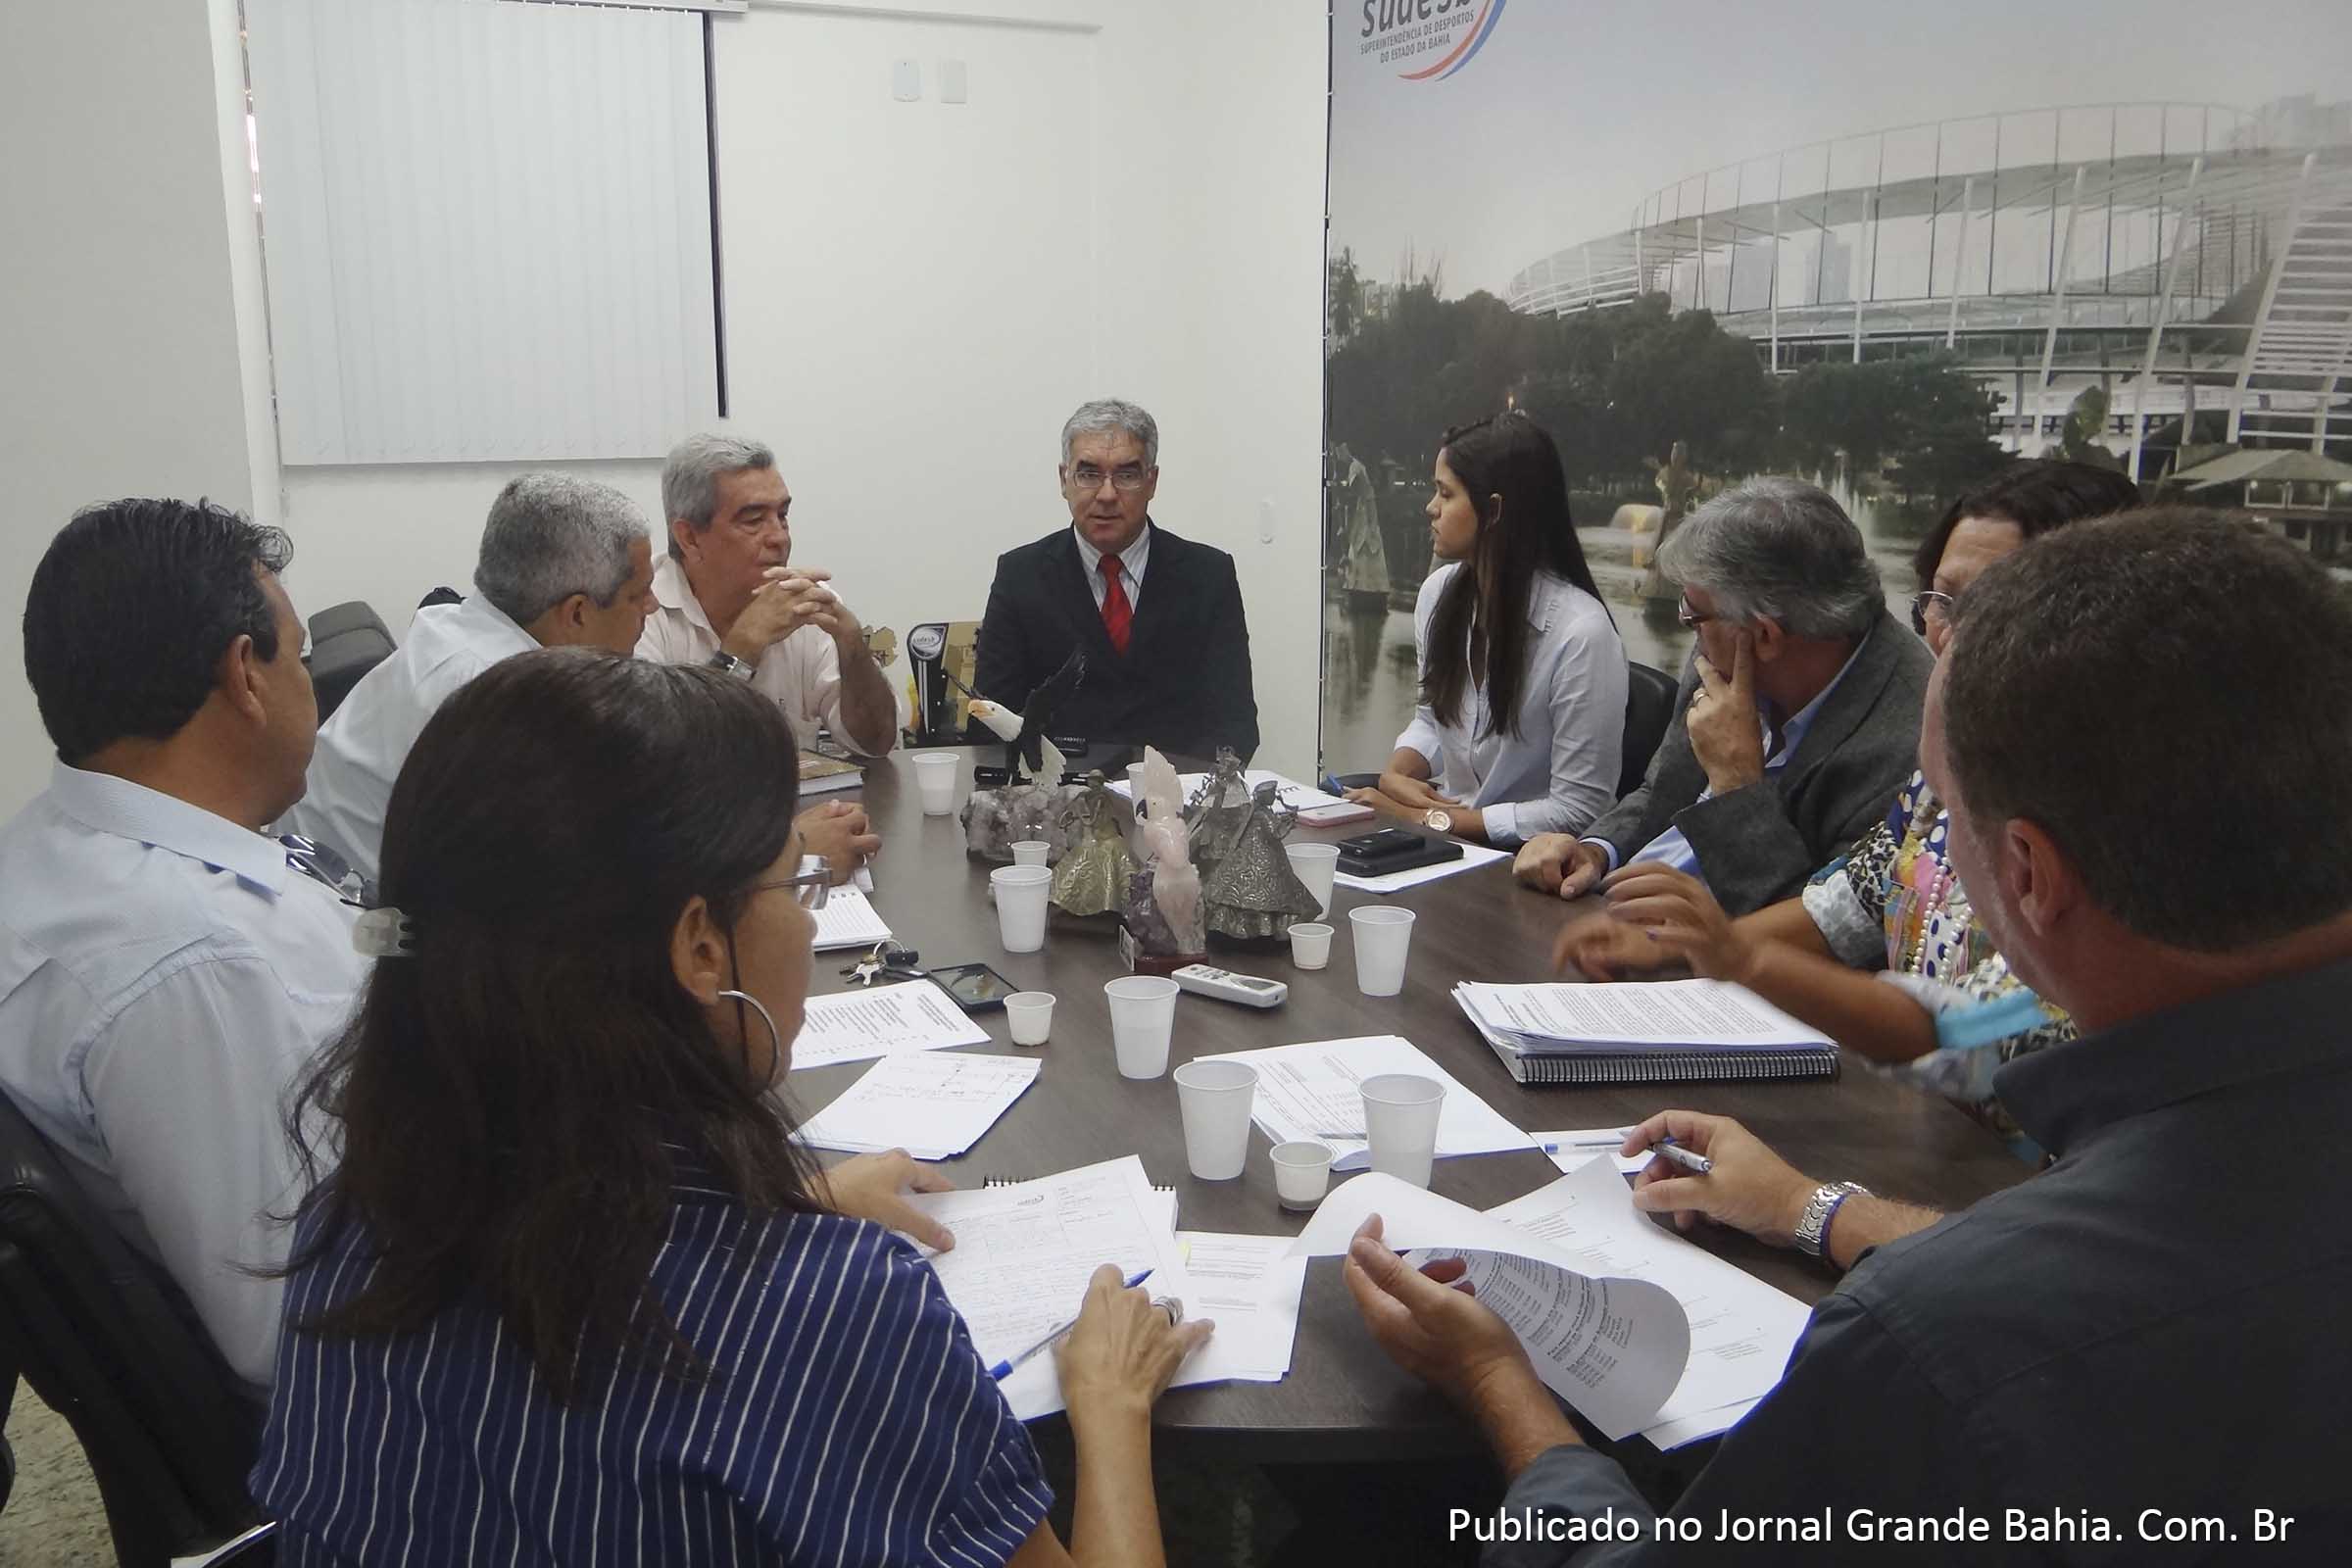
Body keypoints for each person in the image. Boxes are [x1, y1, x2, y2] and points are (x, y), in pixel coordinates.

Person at [1348, 511, 2352, 1563]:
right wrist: (1814, 1209)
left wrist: (1500, 1386)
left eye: (1953, 819)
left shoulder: (1939, 1340)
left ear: (2027, 874)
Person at [253, 649, 1213, 1564]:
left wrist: (799, 1201)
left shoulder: (350, 1231)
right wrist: (1110, 1407)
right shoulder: (830, 1315)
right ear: (700, 949)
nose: (805, 913)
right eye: (797, 881)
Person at [1555, 462, 2140, 1151]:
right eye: (1941, 602)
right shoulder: (1943, 785)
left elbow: (1975, 1036)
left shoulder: (2109, 819)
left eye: (1986, 606)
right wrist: (1675, 946)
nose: (1948, 637)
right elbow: (1842, 905)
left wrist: (1738, 957)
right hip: (1922, 1138)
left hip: (2023, 1175)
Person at [0, 500, 361, 1396]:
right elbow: (296, 1327)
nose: (310, 686)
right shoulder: (195, 967)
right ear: (245, 675)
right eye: (299, 656)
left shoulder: (55, 847)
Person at [1511, 477, 1929, 916]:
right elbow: (1660, 793)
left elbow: (1821, 931)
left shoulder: (1908, 747)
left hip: (1714, 946)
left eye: (1692, 616)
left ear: (1764, 636)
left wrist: (1738, 788)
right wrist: (1597, 851)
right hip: (1612, 912)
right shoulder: (1728, 646)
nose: (1689, 631)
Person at [282, 473, 656, 886]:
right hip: (360, 913)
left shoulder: (453, 625)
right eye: (639, 594)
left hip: (331, 881)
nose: (653, 606)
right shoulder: (499, 699)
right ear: (578, 613)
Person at [1344, 414, 1625, 844]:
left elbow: (1579, 811)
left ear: (1493, 510)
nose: (1431, 507)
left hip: (1526, 865)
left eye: (1445, 493)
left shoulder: (1582, 635)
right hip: (1449, 845)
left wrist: (1422, 818)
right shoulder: (1438, 595)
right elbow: (1432, 720)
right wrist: (1397, 774)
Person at [638, 431, 891, 878]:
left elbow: (875, 742)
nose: (780, 538)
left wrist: (853, 647)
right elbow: (660, 772)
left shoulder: (804, 602)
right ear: (689, 537)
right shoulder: (641, 613)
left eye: (784, 515)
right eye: (754, 520)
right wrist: (742, 648)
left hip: (797, 842)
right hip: (690, 863)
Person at [975, 399, 1259, 760]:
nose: (1107, 494)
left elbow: (1235, 725)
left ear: (1151, 482)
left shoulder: (1208, 575)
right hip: (1060, 788)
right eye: (1089, 474)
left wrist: (1182, 787)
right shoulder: (1020, 576)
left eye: (1126, 475)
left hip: (1177, 788)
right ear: (1064, 480)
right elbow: (990, 723)